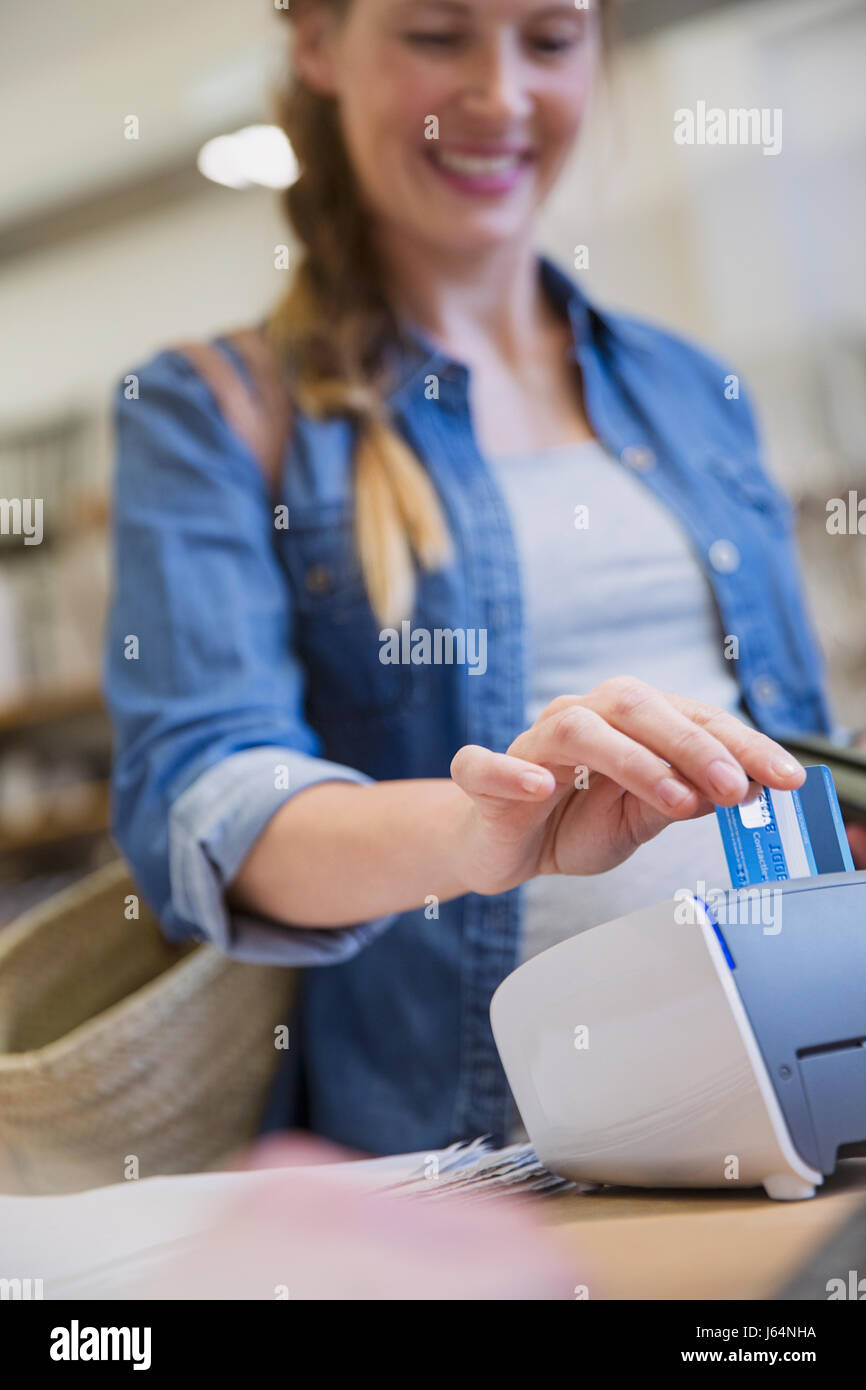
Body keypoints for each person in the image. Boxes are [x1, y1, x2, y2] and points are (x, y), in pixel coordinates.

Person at [104, 0, 845, 1156]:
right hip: (488, 1149)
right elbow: (202, 804)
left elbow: (791, 736)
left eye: (549, 40)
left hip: (805, 1081)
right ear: (315, 44)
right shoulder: (213, 412)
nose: (501, 96)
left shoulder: (690, 384)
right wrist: (480, 826)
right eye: (437, 36)